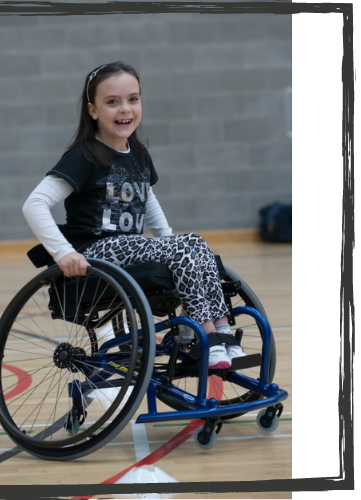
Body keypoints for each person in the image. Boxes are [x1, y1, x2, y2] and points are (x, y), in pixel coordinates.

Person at [22, 61, 245, 369]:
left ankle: (221, 330)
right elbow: (33, 204)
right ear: (93, 111)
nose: (125, 109)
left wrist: (172, 246)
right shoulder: (84, 155)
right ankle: (205, 335)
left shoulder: (138, 153)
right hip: (97, 251)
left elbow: (147, 197)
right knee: (188, 243)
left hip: (130, 250)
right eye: (112, 102)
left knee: (195, 244)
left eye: (133, 99)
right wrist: (63, 254)